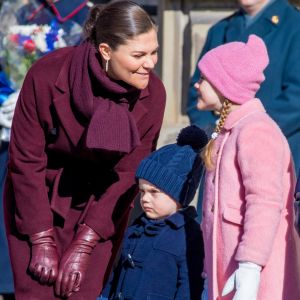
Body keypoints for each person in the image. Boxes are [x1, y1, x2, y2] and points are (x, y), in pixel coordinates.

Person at [3, 1, 166, 299]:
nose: (150, 63)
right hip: (38, 200)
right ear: (106, 51)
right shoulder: (47, 75)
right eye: (139, 55)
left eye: (154, 52)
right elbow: (25, 161)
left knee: (82, 291)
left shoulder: (152, 94)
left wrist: (85, 243)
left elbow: (128, 173)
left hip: (101, 207)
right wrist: (41, 239)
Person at [194, 35, 300, 300]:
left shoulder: (257, 131)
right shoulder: (229, 131)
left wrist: (250, 267)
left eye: (204, 78)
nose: (197, 84)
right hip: (227, 273)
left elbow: (264, 203)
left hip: (255, 276)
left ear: (224, 85)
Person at [0, 1, 90, 299]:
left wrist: (39, 100)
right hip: (8, 125)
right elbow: (7, 61)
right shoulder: (18, 11)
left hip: (57, 136)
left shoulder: (86, 13)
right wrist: (7, 96)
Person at [187, 0, 300, 175]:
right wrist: (214, 133)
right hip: (219, 156)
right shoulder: (220, 29)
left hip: (271, 156)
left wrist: (248, 130)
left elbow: (296, 99)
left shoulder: (295, 26)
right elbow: (196, 93)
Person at [100, 125, 207, 300]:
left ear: (178, 194)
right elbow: (117, 272)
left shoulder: (190, 236)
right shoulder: (136, 227)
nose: (145, 199)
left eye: (154, 192)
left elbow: (189, 287)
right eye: (142, 191)